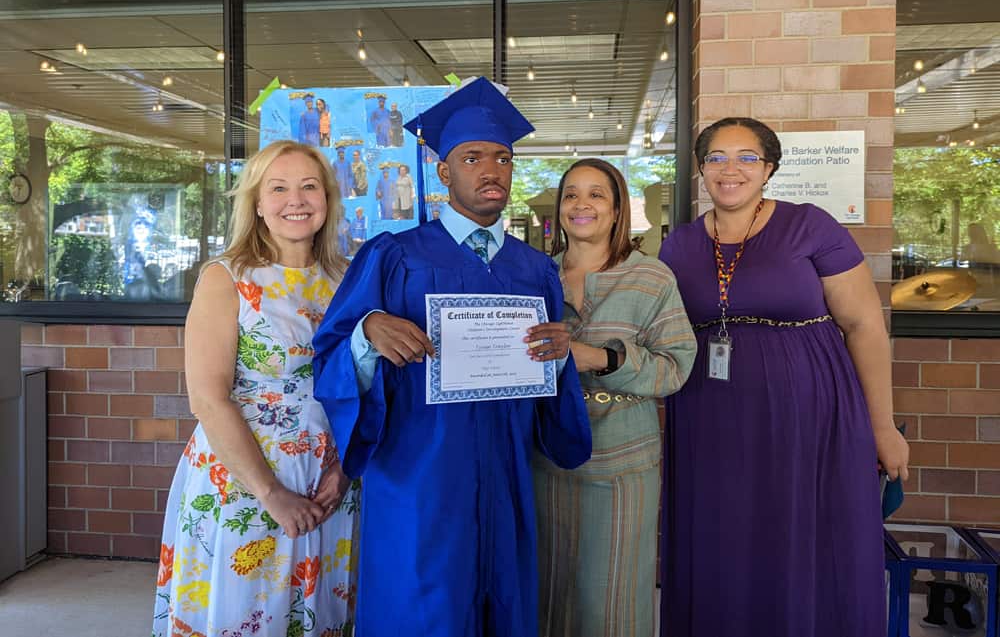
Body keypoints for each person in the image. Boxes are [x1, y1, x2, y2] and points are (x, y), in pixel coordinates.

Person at [311, 76, 592, 637]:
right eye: (471, 158)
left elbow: (549, 392)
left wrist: (559, 353)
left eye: (502, 158)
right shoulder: (395, 255)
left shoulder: (534, 269)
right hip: (419, 472)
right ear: (444, 173)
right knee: (421, 604)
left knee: (503, 600)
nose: (491, 170)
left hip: (508, 467)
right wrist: (368, 331)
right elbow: (331, 355)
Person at [657, 117, 910, 637]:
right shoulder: (677, 245)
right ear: (701, 169)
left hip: (810, 411)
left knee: (804, 530)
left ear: (769, 167)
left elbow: (863, 326)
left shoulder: (809, 226)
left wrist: (882, 427)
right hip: (710, 415)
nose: (731, 170)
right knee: (723, 531)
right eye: (717, 158)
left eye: (747, 157)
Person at [152, 140, 357, 637]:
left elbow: (365, 387)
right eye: (279, 187)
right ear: (257, 204)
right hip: (246, 481)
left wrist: (345, 468)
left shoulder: (348, 279)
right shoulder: (228, 278)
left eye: (310, 186)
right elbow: (207, 397)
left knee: (321, 615)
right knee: (247, 614)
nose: (296, 199)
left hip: (328, 479)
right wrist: (271, 493)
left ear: (328, 199)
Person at [534, 158, 696, 637]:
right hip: (544, 458)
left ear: (618, 206)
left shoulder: (652, 278)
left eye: (596, 194)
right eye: (570, 195)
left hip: (623, 461)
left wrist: (602, 359)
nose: (581, 205)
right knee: (547, 591)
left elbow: (676, 368)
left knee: (613, 600)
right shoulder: (533, 277)